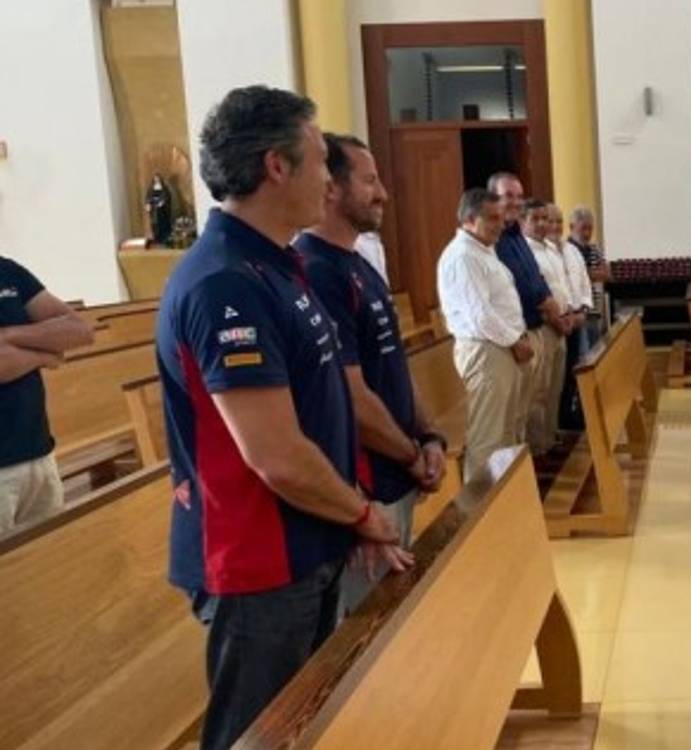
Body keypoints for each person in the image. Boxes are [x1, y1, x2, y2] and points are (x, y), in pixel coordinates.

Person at [155, 85, 411, 749]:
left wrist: (347, 518)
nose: (330, 180)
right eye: (321, 160)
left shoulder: (278, 265)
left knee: (303, 725)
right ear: (277, 165)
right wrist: (361, 512)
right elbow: (274, 453)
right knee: (256, 736)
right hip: (257, 558)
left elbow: (323, 407)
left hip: (305, 542)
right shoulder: (225, 283)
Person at [295, 133, 447, 613]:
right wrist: (408, 456)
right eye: (370, 180)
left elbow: (393, 367)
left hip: (396, 471)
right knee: (364, 633)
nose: (383, 193)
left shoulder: (360, 266)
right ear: (332, 189)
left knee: (390, 614)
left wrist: (430, 437)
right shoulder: (318, 270)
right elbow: (350, 397)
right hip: (366, 483)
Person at [437, 189, 534, 481]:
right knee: (487, 437)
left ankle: (504, 502)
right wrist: (515, 340)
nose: (500, 224)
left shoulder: (483, 251)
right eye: (491, 218)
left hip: (501, 347)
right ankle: (478, 512)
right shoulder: (463, 256)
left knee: (506, 431)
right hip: (486, 350)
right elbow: (480, 315)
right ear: (469, 219)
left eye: (501, 218)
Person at [0, 257, 94, 533]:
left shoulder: (7, 271)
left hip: (39, 453)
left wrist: (9, 335)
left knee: (46, 565)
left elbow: (80, 330)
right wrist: (45, 353)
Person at [488, 173, 567, 448]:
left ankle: (535, 458)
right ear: (492, 198)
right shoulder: (494, 240)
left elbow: (533, 275)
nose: (515, 202)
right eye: (508, 195)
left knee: (537, 397)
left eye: (519, 196)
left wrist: (551, 303)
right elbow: (521, 285)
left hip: (534, 328)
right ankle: (524, 468)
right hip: (516, 335)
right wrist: (551, 309)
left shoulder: (514, 236)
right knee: (519, 410)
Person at [523, 200, 579, 456]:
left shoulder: (550, 249)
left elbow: (561, 288)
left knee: (556, 386)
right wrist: (557, 319)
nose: (542, 224)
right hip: (543, 327)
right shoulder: (526, 252)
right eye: (536, 219)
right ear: (523, 221)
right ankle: (537, 450)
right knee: (539, 391)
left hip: (560, 325)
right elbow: (534, 294)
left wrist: (569, 315)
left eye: (545, 218)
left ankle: (551, 437)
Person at [548, 205, 595, 431]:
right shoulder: (539, 251)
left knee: (573, 371)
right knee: (555, 378)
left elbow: (584, 282)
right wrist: (562, 317)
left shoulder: (572, 251)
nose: (555, 226)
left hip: (576, 319)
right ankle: (555, 422)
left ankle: (568, 415)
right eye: (551, 221)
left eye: (559, 221)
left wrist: (583, 309)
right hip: (555, 324)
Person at [566, 206, 611, 339]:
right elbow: (572, 277)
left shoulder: (594, 248)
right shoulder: (566, 249)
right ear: (572, 227)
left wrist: (586, 273)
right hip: (577, 312)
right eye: (583, 228)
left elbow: (607, 274)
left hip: (595, 311)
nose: (587, 233)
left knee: (596, 351)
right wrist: (590, 274)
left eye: (590, 228)